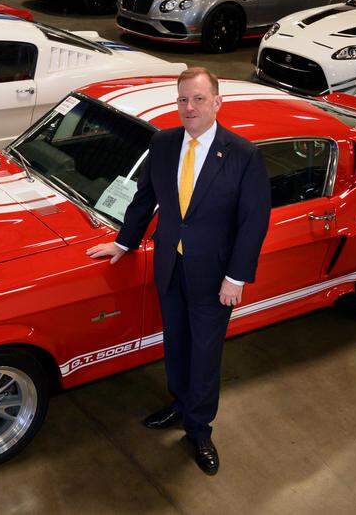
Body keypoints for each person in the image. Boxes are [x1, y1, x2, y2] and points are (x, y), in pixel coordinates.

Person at [86, 67, 272, 476]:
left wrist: (235, 279)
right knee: (177, 342)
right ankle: (179, 403)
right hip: (171, 266)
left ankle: (199, 427)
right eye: (183, 100)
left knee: (205, 353)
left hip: (214, 276)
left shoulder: (243, 155)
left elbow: (253, 223)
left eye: (199, 99)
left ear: (218, 102)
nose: (189, 108)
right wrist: (124, 242)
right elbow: (145, 197)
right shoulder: (165, 142)